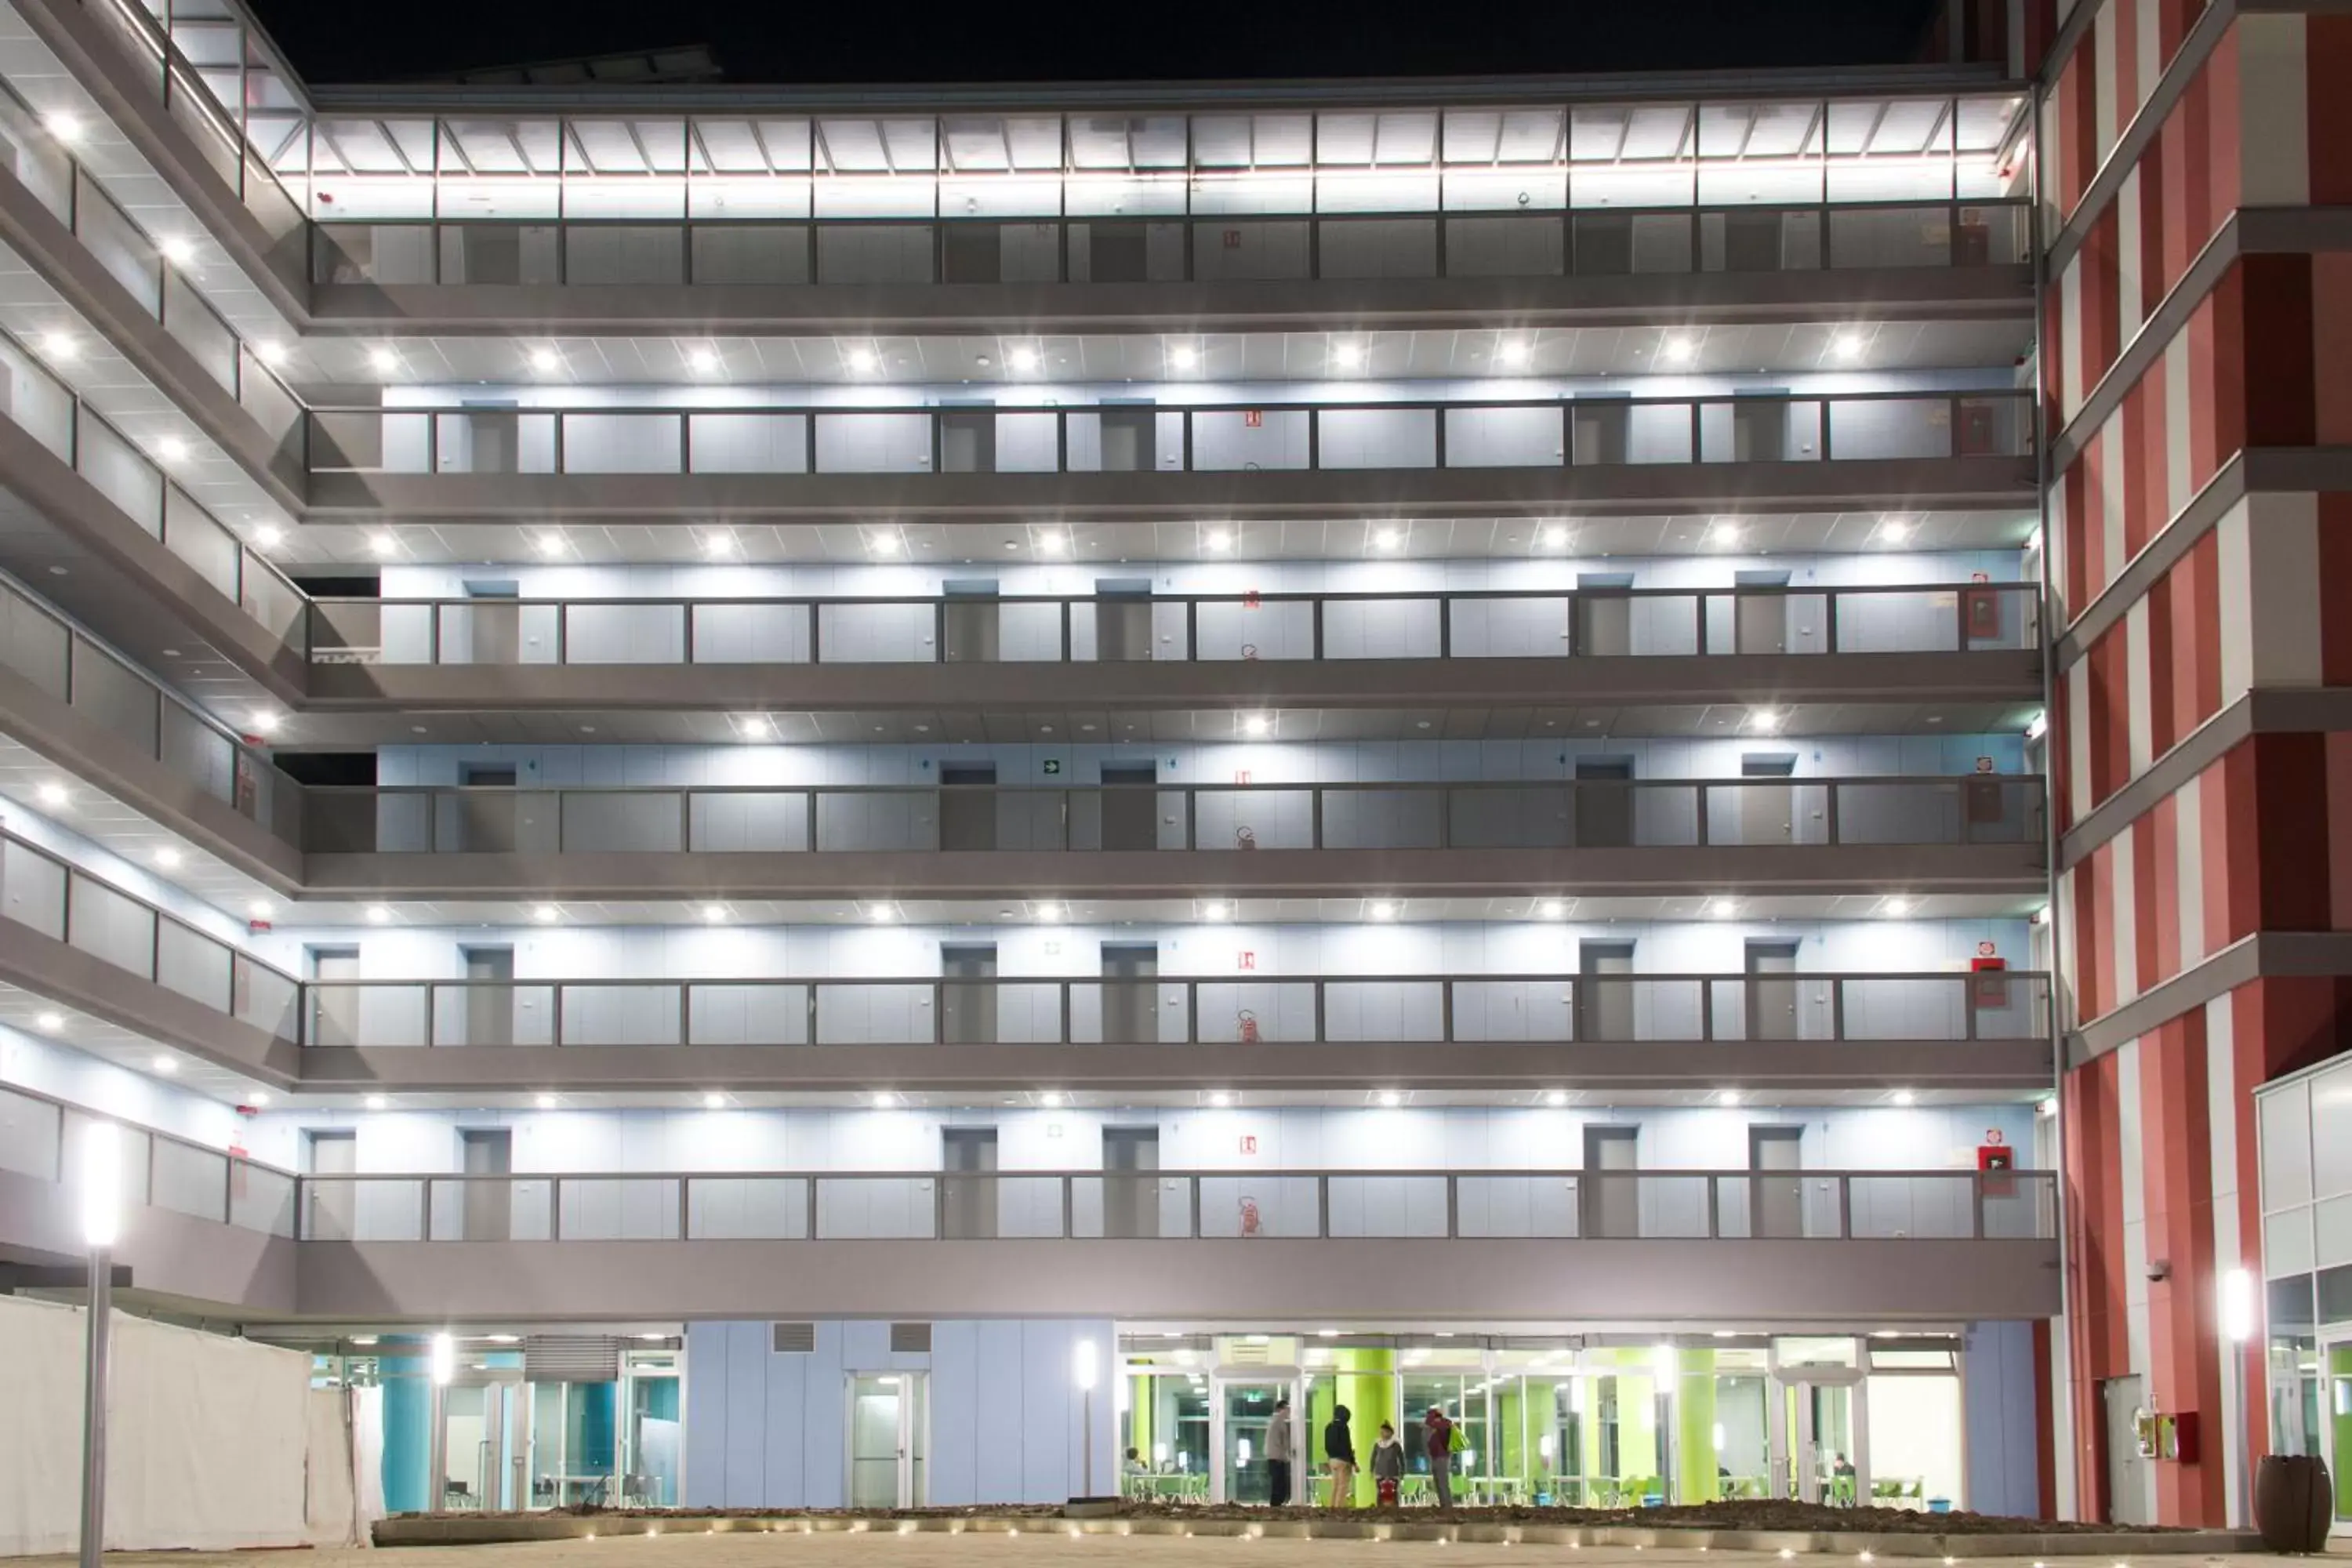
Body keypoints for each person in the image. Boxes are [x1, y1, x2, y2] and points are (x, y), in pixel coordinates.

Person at [1323, 1403, 1357, 1509]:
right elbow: (1347, 1445)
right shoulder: (1343, 1427)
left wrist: (1330, 1456)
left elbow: (1327, 1445)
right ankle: (1339, 1509)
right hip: (1343, 1460)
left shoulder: (1328, 1427)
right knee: (1342, 1487)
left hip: (1332, 1460)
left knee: (1335, 1486)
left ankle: (1332, 1507)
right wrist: (1353, 1462)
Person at [1423, 1406, 1456, 1509]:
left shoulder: (1443, 1425)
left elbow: (1429, 1423)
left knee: (1442, 1482)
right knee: (1439, 1482)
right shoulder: (1441, 1427)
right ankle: (1444, 1505)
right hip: (1437, 1457)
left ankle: (1447, 1506)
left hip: (1441, 1457)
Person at [1265, 1397, 1294, 1507]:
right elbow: (1281, 1443)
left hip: (1273, 1457)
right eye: (1288, 1409)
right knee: (1279, 1485)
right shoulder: (1278, 1422)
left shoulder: (1273, 1421)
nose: (1289, 1412)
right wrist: (1287, 1456)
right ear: (1282, 1409)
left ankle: (1276, 1506)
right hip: (1277, 1458)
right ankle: (1276, 1507)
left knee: (1277, 1484)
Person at [1370, 1421, 1405, 1506]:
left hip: (1393, 1472)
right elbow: (1373, 1458)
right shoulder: (1377, 1445)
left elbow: (1401, 1459)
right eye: (1381, 1432)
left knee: (1393, 1493)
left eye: (1384, 1432)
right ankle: (1379, 1509)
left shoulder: (1396, 1445)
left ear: (1390, 1433)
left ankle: (1395, 1511)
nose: (1382, 1434)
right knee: (1380, 1492)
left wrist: (1403, 1471)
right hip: (1380, 1472)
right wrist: (1371, 1470)